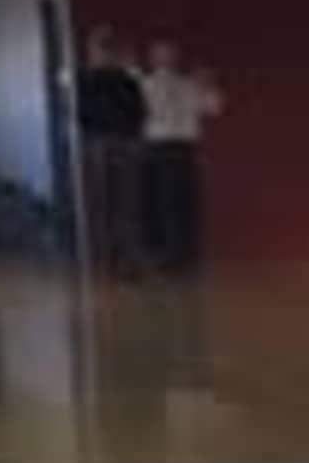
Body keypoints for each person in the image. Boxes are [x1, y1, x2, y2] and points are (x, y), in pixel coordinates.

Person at [138, 39, 226, 278]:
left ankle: (182, 258)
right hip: (162, 147)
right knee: (166, 204)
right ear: (153, 59)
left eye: (169, 55)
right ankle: (169, 257)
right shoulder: (145, 85)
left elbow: (214, 108)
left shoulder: (188, 84)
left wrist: (209, 84)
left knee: (182, 202)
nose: (166, 60)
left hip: (179, 148)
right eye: (162, 55)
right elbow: (141, 117)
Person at [73, 27, 149, 279]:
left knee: (129, 203)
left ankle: (129, 260)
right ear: (92, 52)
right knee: (102, 203)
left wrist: (133, 134)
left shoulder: (128, 80)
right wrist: (93, 136)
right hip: (99, 143)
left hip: (126, 142)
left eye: (108, 49)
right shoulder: (85, 79)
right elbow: (81, 114)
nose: (104, 53)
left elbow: (140, 110)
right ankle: (105, 261)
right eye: (99, 48)